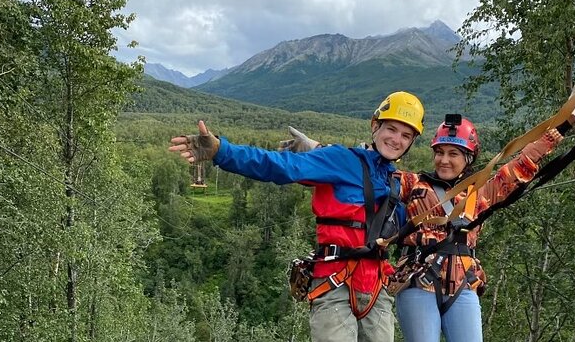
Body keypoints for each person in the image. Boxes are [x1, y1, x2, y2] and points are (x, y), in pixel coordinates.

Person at [279, 85, 575, 342]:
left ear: (469, 159)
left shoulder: (480, 194)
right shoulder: (410, 185)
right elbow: (364, 170)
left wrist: (569, 120)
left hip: (463, 285)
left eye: (454, 154)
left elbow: (522, 164)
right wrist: (316, 150)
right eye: (441, 152)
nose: (445, 160)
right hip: (418, 284)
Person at [169, 91, 426, 342]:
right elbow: (281, 165)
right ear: (375, 126)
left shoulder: (397, 182)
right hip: (336, 284)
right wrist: (221, 151)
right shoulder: (341, 160)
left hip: (376, 290)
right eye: (391, 129)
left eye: (406, 135)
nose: (396, 139)